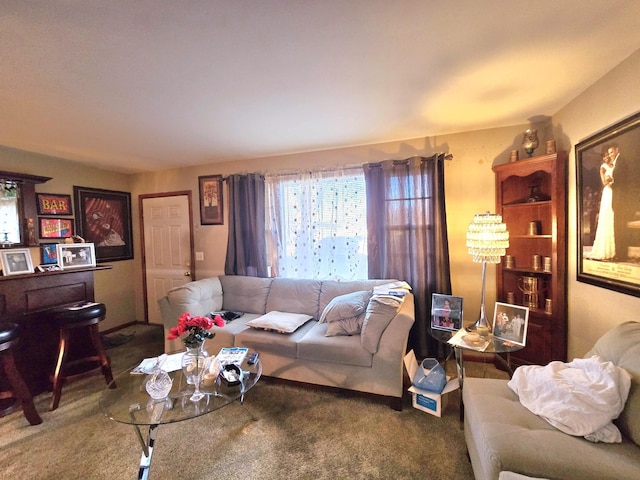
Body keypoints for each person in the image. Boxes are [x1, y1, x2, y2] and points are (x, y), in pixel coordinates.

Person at [609, 143, 639, 261]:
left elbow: (623, 182)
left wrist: (613, 184)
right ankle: (619, 254)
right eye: (609, 153)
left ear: (617, 150)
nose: (610, 155)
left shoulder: (621, 162)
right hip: (618, 201)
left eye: (612, 152)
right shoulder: (618, 162)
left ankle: (620, 255)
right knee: (618, 228)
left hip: (621, 201)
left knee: (620, 229)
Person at [587, 150, 615, 260]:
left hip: (614, 192)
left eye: (608, 155)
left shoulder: (614, 165)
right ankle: (604, 249)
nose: (606, 157)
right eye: (604, 156)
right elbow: (604, 181)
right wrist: (611, 179)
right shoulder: (603, 167)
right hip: (608, 191)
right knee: (607, 217)